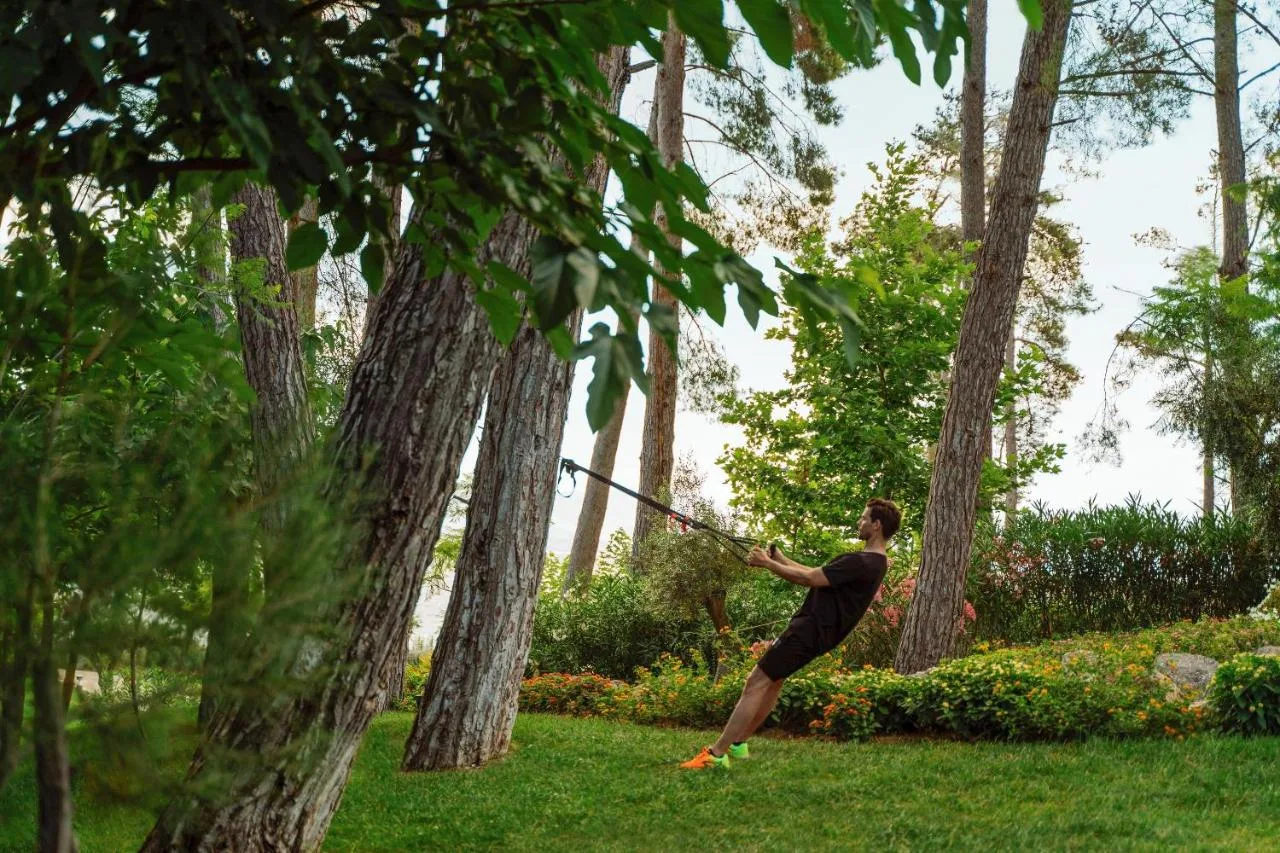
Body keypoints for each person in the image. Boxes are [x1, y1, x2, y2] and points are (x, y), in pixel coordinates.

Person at [680, 498, 901, 769]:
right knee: (773, 680)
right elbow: (815, 573)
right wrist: (781, 559)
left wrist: (766, 564)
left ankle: (716, 754)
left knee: (756, 681)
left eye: (864, 518)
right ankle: (738, 745)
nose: (860, 522)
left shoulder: (861, 562)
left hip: (809, 629)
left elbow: (809, 580)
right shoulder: (875, 562)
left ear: (876, 525)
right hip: (820, 634)